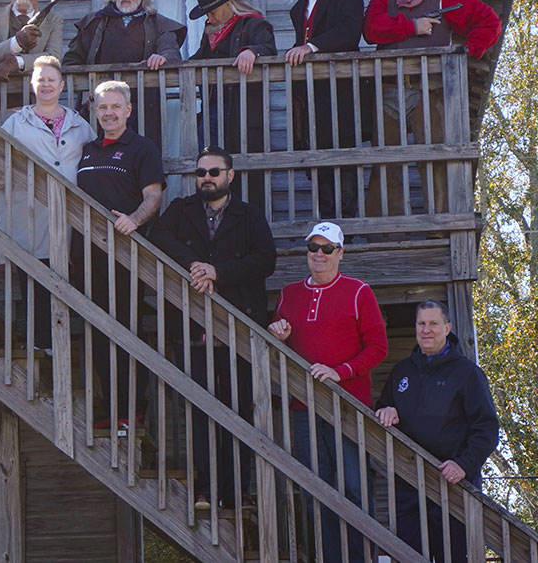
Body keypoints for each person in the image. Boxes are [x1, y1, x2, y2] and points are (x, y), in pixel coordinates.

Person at [149, 145, 275, 511]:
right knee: (201, 409)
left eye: (214, 172)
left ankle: (240, 492)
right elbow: (160, 238)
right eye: (201, 173)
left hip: (239, 327)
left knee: (240, 410)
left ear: (230, 176)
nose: (206, 178)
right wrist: (196, 266)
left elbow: (265, 260)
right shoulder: (180, 210)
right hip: (192, 327)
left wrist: (219, 273)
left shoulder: (249, 216)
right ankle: (205, 489)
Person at [269, 221, 387, 563]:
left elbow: (378, 347)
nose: (318, 255)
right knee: (314, 490)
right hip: (302, 407)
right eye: (313, 248)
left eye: (327, 249)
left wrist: (340, 372)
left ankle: (360, 557)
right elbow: (280, 339)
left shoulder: (358, 291)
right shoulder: (289, 294)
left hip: (348, 407)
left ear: (340, 253)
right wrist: (276, 332)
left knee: (354, 487)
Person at [363, 0, 502, 216]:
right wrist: (413, 26)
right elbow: (371, 31)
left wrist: (466, 52)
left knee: (438, 156)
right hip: (387, 89)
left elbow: (490, 23)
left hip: (431, 89)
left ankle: (441, 224)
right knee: (386, 160)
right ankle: (389, 231)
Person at [374, 300, 499, 563]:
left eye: (433, 323)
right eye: (421, 324)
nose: (426, 330)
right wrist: (386, 410)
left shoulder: (467, 373)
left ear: (447, 327)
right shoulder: (401, 371)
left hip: (452, 487)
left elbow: (486, 428)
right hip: (408, 486)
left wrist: (464, 465)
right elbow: (384, 404)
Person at [75, 79, 164, 433]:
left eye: (115, 107)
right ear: (95, 112)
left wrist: (135, 220)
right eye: (102, 107)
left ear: (128, 110)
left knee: (126, 330)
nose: (108, 113)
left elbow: (153, 196)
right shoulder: (87, 150)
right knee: (96, 331)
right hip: (85, 253)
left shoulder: (141, 148)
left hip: (126, 254)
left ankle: (133, 409)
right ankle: (108, 408)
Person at [0, 56, 94, 352]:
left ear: (62, 85)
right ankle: (39, 344)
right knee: (32, 275)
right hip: (26, 210)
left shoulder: (80, 124)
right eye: (41, 80)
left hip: (68, 214)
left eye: (52, 79)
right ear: (32, 85)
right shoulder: (15, 122)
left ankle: (60, 344)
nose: (46, 85)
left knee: (64, 273)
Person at [279, 0, 365, 219]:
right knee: (317, 161)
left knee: (345, 159)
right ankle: (326, 222)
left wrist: (310, 47)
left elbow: (350, 32)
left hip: (342, 92)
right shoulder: (297, 8)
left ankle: (347, 228)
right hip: (310, 97)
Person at [63, 0, 186, 150]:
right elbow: (71, 61)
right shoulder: (94, 23)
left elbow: (170, 50)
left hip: (143, 108)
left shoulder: (158, 23)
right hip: (102, 109)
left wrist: (162, 57)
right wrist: (86, 87)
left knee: (141, 159)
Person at [187, 0, 276, 215]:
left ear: (228, 4)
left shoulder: (253, 24)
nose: (210, 17)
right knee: (212, 162)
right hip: (215, 109)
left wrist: (252, 51)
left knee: (245, 168)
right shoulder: (211, 33)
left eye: (213, 11)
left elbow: (267, 46)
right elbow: (198, 60)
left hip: (243, 110)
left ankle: (248, 219)